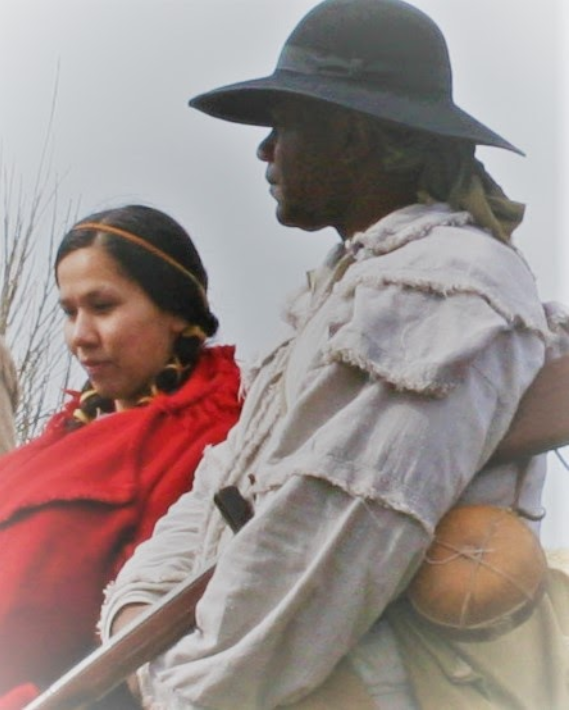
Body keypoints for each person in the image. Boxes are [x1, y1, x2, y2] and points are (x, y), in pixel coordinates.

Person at [100, 1, 567, 709]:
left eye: (282, 126)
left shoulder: (442, 284)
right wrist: (136, 613)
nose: (264, 150)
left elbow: (333, 546)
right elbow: (222, 488)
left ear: (350, 136)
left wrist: (183, 689)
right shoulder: (355, 284)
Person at [0, 204, 241, 709]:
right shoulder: (62, 437)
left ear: (176, 310)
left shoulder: (211, 440)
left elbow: (146, 630)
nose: (79, 337)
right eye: (69, 312)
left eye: (102, 307)